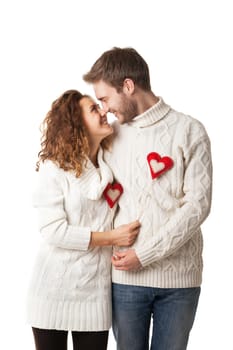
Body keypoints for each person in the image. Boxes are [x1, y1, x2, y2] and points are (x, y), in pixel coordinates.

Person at [83, 47, 213, 350]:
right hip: (125, 280)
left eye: (104, 99)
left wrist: (146, 254)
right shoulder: (110, 136)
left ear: (128, 86)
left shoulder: (190, 130)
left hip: (179, 281)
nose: (103, 109)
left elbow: (198, 205)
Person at [26, 89, 140, 350]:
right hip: (51, 292)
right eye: (93, 109)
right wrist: (112, 238)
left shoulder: (111, 167)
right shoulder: (54, 168)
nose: (103, 112)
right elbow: (54, 231)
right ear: (76, 124)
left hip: (94, 294)